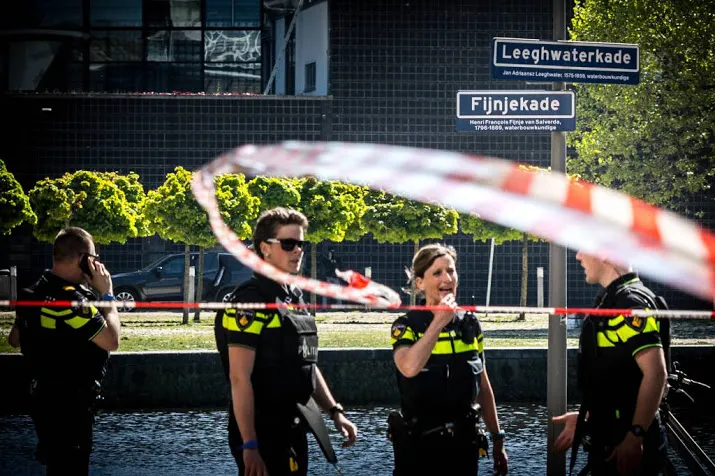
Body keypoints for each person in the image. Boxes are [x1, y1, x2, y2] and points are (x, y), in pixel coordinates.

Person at [214, 207, 357, 476]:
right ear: (264, 248)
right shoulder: (249, 300)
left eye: (301, 244)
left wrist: (335, 411)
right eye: (289, 244)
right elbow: (239, 378)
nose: (297, 251)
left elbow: (306, 364)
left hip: (294, 427)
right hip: (261, 434)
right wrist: (250, 444)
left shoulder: (294, 298)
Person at [8, 227, 121, 475]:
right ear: (82, 259)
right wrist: (108, 296)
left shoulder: (32, 292)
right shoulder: (74, 302)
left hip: (42, 400)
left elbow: (14, 339)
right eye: (93, 258)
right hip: (71, 406)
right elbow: (111, 341)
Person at [388, 243, 508, 475]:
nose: (447, 278)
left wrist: (497, 439)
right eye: (437, 272)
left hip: (464, 446)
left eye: (451, 271)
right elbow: (409, 367)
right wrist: (438, 322)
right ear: (420, 282)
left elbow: (483, 386)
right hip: (420, 449)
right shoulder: (407, 325)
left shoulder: (470, 324)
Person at [552, 251, 669, 475]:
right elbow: (620, 380)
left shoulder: (629, 303)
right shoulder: (615, 299)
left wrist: (634, 437)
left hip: (625, 446)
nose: (577, 256)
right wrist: (589, 418)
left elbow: (656, 374)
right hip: (612, 439)